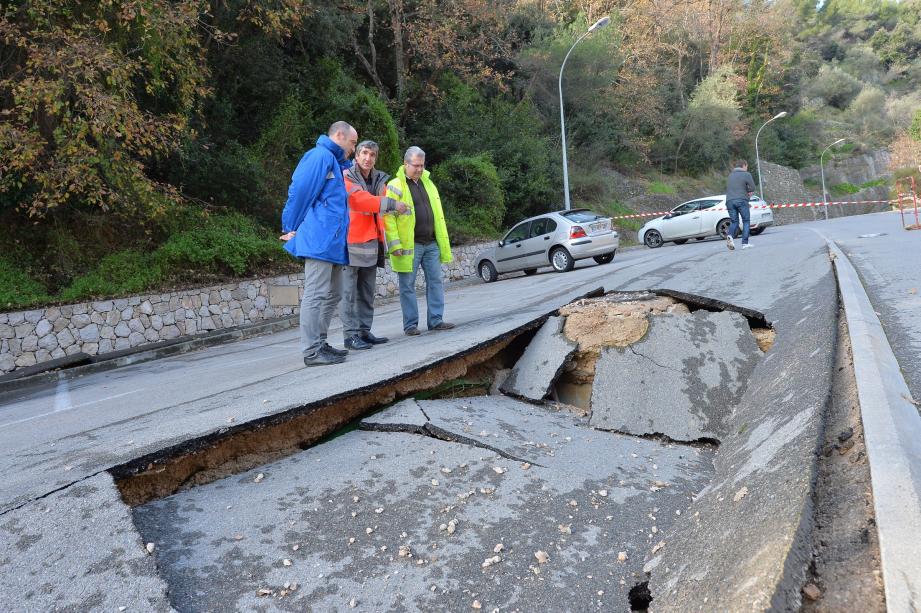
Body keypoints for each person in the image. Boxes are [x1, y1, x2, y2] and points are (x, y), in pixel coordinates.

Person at [279, 121, 357, 367]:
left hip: (332, 242)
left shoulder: (334, 161)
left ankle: (320, 343)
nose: (354, 149)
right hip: (319, 241)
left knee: (333, 294)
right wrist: (289, 225)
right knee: (316, 294)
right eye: (353, 143)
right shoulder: (319, 156)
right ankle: (311, 351)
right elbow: (300, 190)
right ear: (340, 135)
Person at [385, 146, 455, 336]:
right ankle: (410, 325)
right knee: (407, 286)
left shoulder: (429, 184)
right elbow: (388, 218)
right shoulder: (395, 186)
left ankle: (436, 320)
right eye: (415, 165)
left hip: (431, 243)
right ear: (405, 163)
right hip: (410, 246)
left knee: (436, 282)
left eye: (422, 165)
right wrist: (395, 244)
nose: (419, 169)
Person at [340, 141, 393, 350]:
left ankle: (364, 331)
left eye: (372, 154)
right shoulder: (346, 176)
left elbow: (383, 212)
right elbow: (360, 201)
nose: (367, 158)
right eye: (364, 153)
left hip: (372, 242)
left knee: (367, 292)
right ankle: (350, 336)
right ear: (357, 156)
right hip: (350, 243)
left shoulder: (381, 180)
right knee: (348, 294)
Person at [725, 159, 757, 250]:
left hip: (729, 201)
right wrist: (748, 192)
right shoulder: (746, 174)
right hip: (741, 200)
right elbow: (753, 187)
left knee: (735, 222)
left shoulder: (730, 175)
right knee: (746, 221)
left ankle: (730, 235)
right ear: (744, 165)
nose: (747, 168)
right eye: (747, 166)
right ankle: (745, 243)